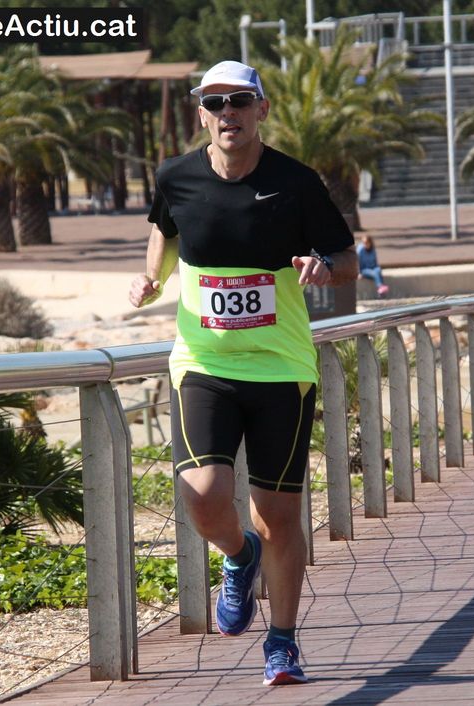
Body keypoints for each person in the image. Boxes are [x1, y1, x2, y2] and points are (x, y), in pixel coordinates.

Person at [128, 60, 357, 686]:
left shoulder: (295, 182)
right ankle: (237, 555)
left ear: (261, 108)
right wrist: (151, 279)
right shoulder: (175, 175)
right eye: (215, 102)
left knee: (278, 515)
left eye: (239, 101)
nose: (227, 112)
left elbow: (346, 258)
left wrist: (323, 269)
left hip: (281, 367)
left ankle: (281, 643)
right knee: (204, 495)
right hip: (203, 363)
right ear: (201, 113)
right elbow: (163, 229)